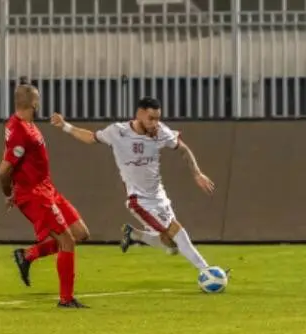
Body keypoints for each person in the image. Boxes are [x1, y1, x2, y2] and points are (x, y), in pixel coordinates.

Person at [51, 96, 227, 276]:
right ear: (139, 114)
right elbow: (90, 137)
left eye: (158, 118)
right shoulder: (118, 132)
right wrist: (65, 126)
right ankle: (206, 271)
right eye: (151, 118)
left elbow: (183, 149)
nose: (155, 123)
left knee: (172, 245)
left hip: (159, 195)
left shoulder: (161, 132)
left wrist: (197, 173)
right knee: (176, 231)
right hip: (140, 199)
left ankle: (134, 234)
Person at [0, 80, 90, 309]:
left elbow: (8, 154)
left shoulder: (21, 125)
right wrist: (9, 192)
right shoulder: (20, 129)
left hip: (48, 189)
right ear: (33, 102)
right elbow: (3, 171)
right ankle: (66, 299)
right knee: (67, 240)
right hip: (34, 194)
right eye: (37, 98)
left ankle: (28, 256)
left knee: (81, 233)